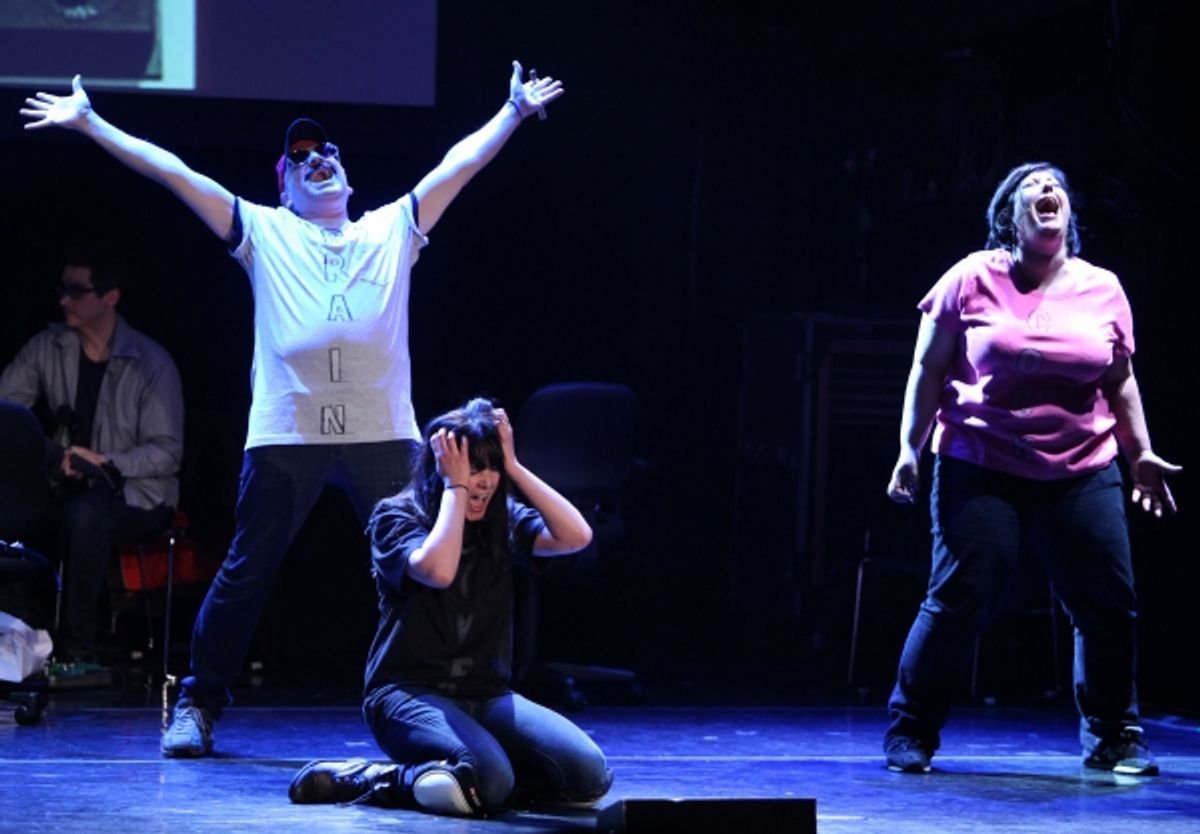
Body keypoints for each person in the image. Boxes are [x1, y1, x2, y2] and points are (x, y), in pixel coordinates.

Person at [19, 61, 564, 756]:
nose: (317, 160)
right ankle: (199, 703)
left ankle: (445, 696)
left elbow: (459, 165)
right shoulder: (264, 232)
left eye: (326, 152)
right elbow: (176, 174)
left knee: (424, 567)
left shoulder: (392, 228)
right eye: (299, 158)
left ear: (348, 177)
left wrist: (512, 111)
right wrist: (93, 123)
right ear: (283, 186)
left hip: (383, 435)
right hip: (287, 434)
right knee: (247, 572)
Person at [882, 161, 1181, 776]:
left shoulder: (1103, 288)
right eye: (1032, 188)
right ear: (1009, 217)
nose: (1048, 192)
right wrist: (909, 449)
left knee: (1108, 602)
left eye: (1057, 188)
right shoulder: (971, 277)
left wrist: (1140, 453)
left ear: (1068, 214)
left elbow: (1119, 380)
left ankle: (1114, 735)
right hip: (982, 459)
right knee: (963, 593)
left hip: (1081, 466)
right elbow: (928, 368)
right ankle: (911, 730)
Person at [287, 397, 612, 817]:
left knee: (587, 777)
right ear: (441, 467)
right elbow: (437, 571)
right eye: (472, 467)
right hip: (407, 695)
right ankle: (379, 778)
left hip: (488, 695)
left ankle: (469, 778)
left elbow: (576, 537)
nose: (484, 482)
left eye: (490, 468)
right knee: (489, 783)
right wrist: (455, 488)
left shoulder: (502, 520)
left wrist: (512, 466)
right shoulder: (396, 517)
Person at [0, 246, 184, 672]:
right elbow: (7, 411)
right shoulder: (48, 348)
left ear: (110, 296)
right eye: (62, 290)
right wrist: (50, 456)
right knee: (24, 514)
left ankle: (78, 649)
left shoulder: (150, 363)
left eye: (76, 291)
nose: (64, 300)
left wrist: (102, 461)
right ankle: (24, 636)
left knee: (85, 517)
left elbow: (165, 453)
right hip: (68, 485)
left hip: (138, 492)